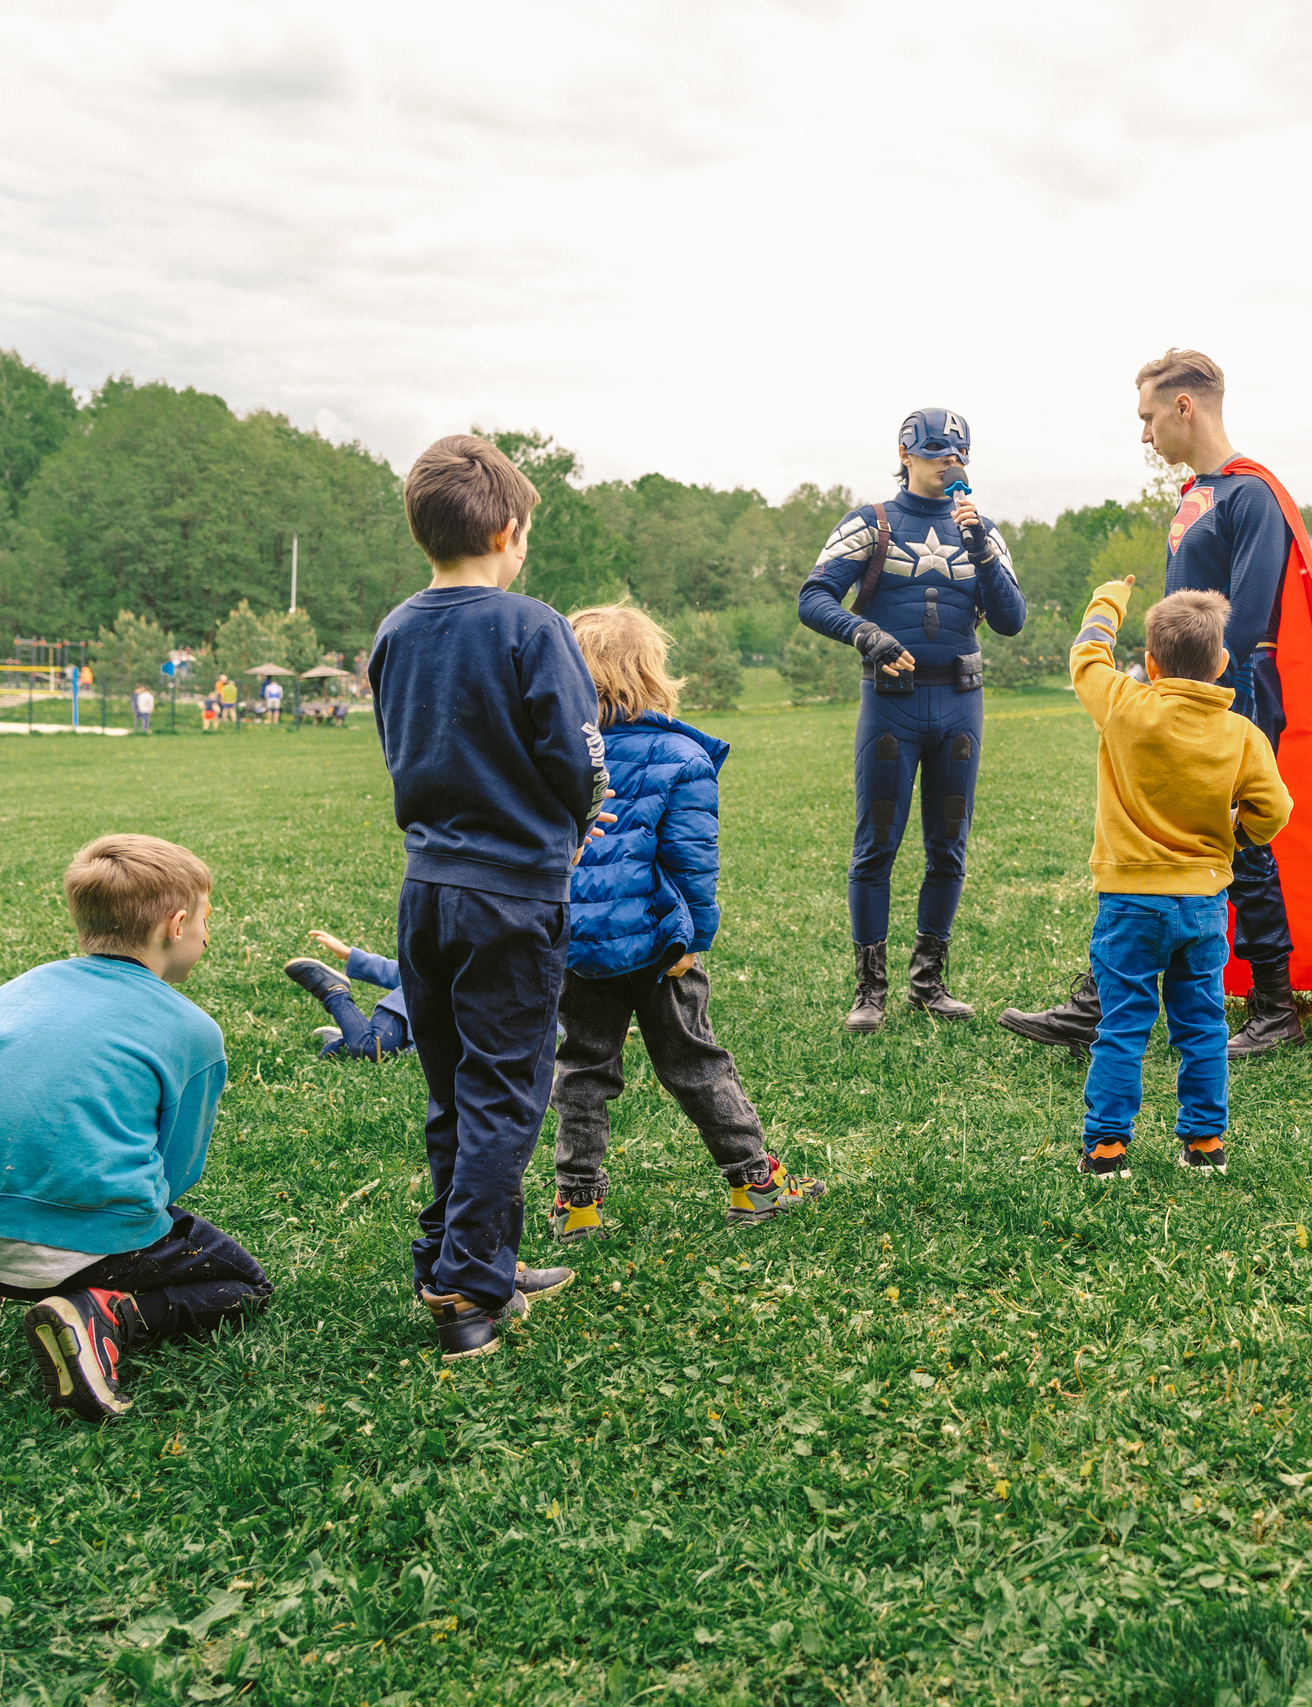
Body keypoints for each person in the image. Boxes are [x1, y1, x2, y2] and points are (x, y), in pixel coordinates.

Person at [1003, 349, 1312, 1056]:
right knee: (1159, 833)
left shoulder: (1251, 496)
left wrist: (1199, 704)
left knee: (1241, 845)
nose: (1145, 434)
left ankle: (1273, 1008)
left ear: (1185, 407)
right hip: (1182, 690)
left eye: (1149, 417)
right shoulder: (1195, 495)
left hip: (1235, 696)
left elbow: (1245, 620)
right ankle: (1101, 1002)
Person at [369, 433, 607, 1360]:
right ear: (507, 531)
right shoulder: (531, 626)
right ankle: (468, 1291)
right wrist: (579, 814)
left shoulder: (395, 629)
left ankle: (465, 1256)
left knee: (454, 1091)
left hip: (427, 890)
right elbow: (576, 752)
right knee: (505, 1092)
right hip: (513, 895)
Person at [0, 835, 269, 1421]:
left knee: (10, 1183)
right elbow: (174, 1174)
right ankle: (105, 1316)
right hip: (84, 1248)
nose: (206, 935)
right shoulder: (191, 1030)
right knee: (246, 1286)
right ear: (176, 925)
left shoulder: (0, 998)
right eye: (206, 920)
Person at [548, 604, 825, 1239]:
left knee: (582, 1069)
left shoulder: (555, 754)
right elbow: (692, 862)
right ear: (651, 672)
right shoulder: (681, 755)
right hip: (657, 945)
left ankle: (577, 1204)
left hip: (576, 945)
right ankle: (754, 1182)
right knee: (695, 1062)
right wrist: (693, 940)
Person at [798, 409, 1026, 1032]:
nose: (948, 464)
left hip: (960, 703)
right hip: (890, 705)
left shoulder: (984, 531)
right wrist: (865, 634)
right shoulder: (869, 523)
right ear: (904, 454)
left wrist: (981, 551)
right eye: (935, 454)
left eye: (956, 456)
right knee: (876, 844)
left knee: (948, 846)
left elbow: (1011, 621)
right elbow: (813, 597)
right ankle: (869, 990)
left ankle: (928, 983)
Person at [1066, 579, 1291, 1179]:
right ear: (1221, 663)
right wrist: (1238, 834)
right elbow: (1275, 810)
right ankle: (1205, 1143)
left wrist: (1108, 601)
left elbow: (1086, 657)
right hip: (1203, 905)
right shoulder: (1242, 736)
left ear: (1150, 664)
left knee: (1122, 1027)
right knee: (1203, 1026)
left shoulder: (1123, 704)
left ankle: (1106, 1149)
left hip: (1129, 907)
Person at [284, 929, 413, 1058]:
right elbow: (406, 974)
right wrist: (349, 954)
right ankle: (335, 992)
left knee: (332, 1054)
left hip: (412, 1041)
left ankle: (349, 1036)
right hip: (405, 1014)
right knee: (368, 1049)